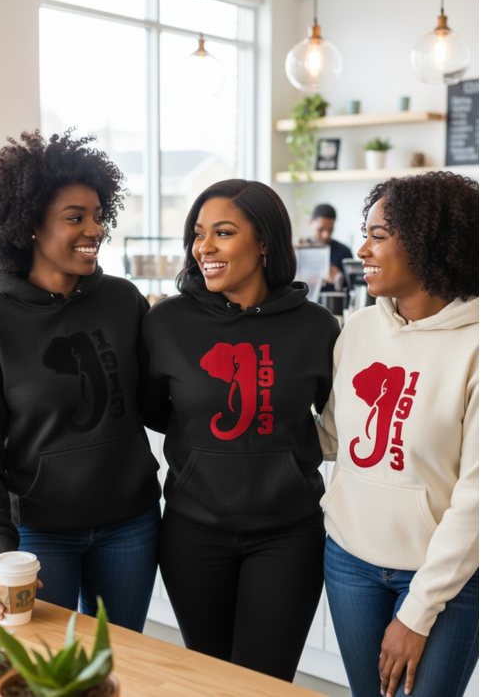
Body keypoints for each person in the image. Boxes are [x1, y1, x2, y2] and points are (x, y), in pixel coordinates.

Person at [141, 179, 340, 682]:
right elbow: (153, 409)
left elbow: (338, 422)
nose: (203, 247)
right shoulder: (165, 323)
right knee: (212, 680)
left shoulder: (317, 327)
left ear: (265, 241)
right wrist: (208, 443)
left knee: (263, 685)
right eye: (198, 233)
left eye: (223, 233)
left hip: (288, 536)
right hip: (193, 534)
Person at [0, 130, 162, 631]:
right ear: (29, 226)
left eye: (98, 215)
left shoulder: (123, 300)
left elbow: (156, 403)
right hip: (40, 534)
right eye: (75, 217)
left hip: (131, 524)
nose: (95, 229)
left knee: (119, 657)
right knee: (45, 665)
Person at [317, 171, 479, 697]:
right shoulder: (359, 328)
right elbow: (332, 438)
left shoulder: (474, 347)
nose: (362, 249)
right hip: (349, 562)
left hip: (445, 579)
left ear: (429, 243)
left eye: (379, 236)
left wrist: (418, 613)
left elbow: (475, 500)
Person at [307, 203, 353, 291]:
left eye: (330, 229)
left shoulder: (344, 251)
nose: (326, 235)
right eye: (321, 229)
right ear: (310, 223)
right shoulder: (298, 251)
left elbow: (353, 286)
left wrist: (340, 279)